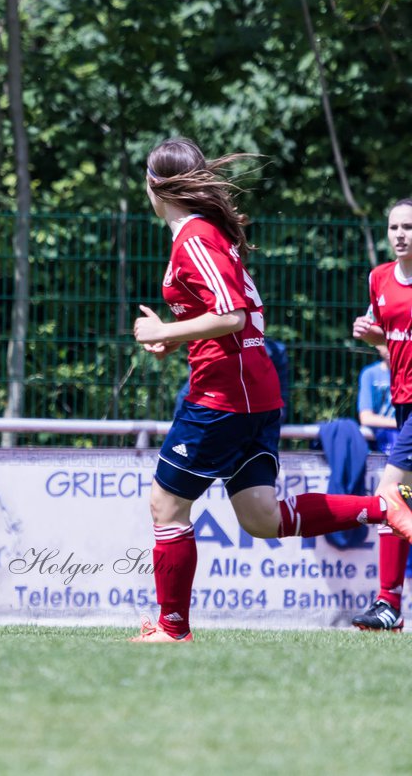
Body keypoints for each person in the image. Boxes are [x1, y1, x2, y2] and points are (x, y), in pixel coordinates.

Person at [130, 139, 412, 642]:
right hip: (252, 390)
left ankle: (172, 628)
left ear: (156, 186)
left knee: (166, 504)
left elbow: (234, 316)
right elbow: (233, 316)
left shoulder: (193, 236)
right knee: (261, 517)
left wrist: (163, 334)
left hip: (223, 396)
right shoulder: (207, 235)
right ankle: (383, 507)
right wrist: (176, 343)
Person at [351, 198, 412, 631]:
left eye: (409, 226)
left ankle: (388, 603)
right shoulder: (379, 279)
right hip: (403, 403)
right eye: (394, 227)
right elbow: (389, 352)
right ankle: (389, 605)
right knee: (401, 500)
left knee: (390, 496)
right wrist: (376, 338)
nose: (401, 235)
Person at [357, 344, 396, 455]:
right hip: (379, 440)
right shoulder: (369, 374)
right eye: (385, 342)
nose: (391, 346)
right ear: (377, 345)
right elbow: (366, 418)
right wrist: (400, 423)